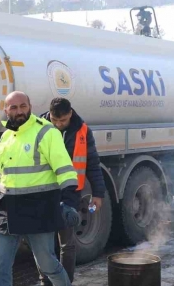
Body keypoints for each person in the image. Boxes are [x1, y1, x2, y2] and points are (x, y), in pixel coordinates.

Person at [0, 91, 81, 286]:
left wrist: (68, 203)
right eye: (13, 107)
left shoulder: (47, 132)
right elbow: (4, 175)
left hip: (39, 209)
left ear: (30, 107)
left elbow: (66, 171)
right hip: (7, 211)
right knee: (0, 266)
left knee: (47, 264)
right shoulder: (5, 138)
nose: (19, 111)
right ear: (6, 110)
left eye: (23, 106)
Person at [38, 97, 106, 285]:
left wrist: (98, 194)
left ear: (70, 114)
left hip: (69, 193)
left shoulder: (83, 131)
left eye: (62, 121)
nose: (58, 125)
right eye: (55, 120)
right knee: (44, 243)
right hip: (43, 192)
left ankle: (66, 281)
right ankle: (46, 281)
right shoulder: (39, 127)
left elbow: (92, 163)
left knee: (66, 243)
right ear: (49, 114)